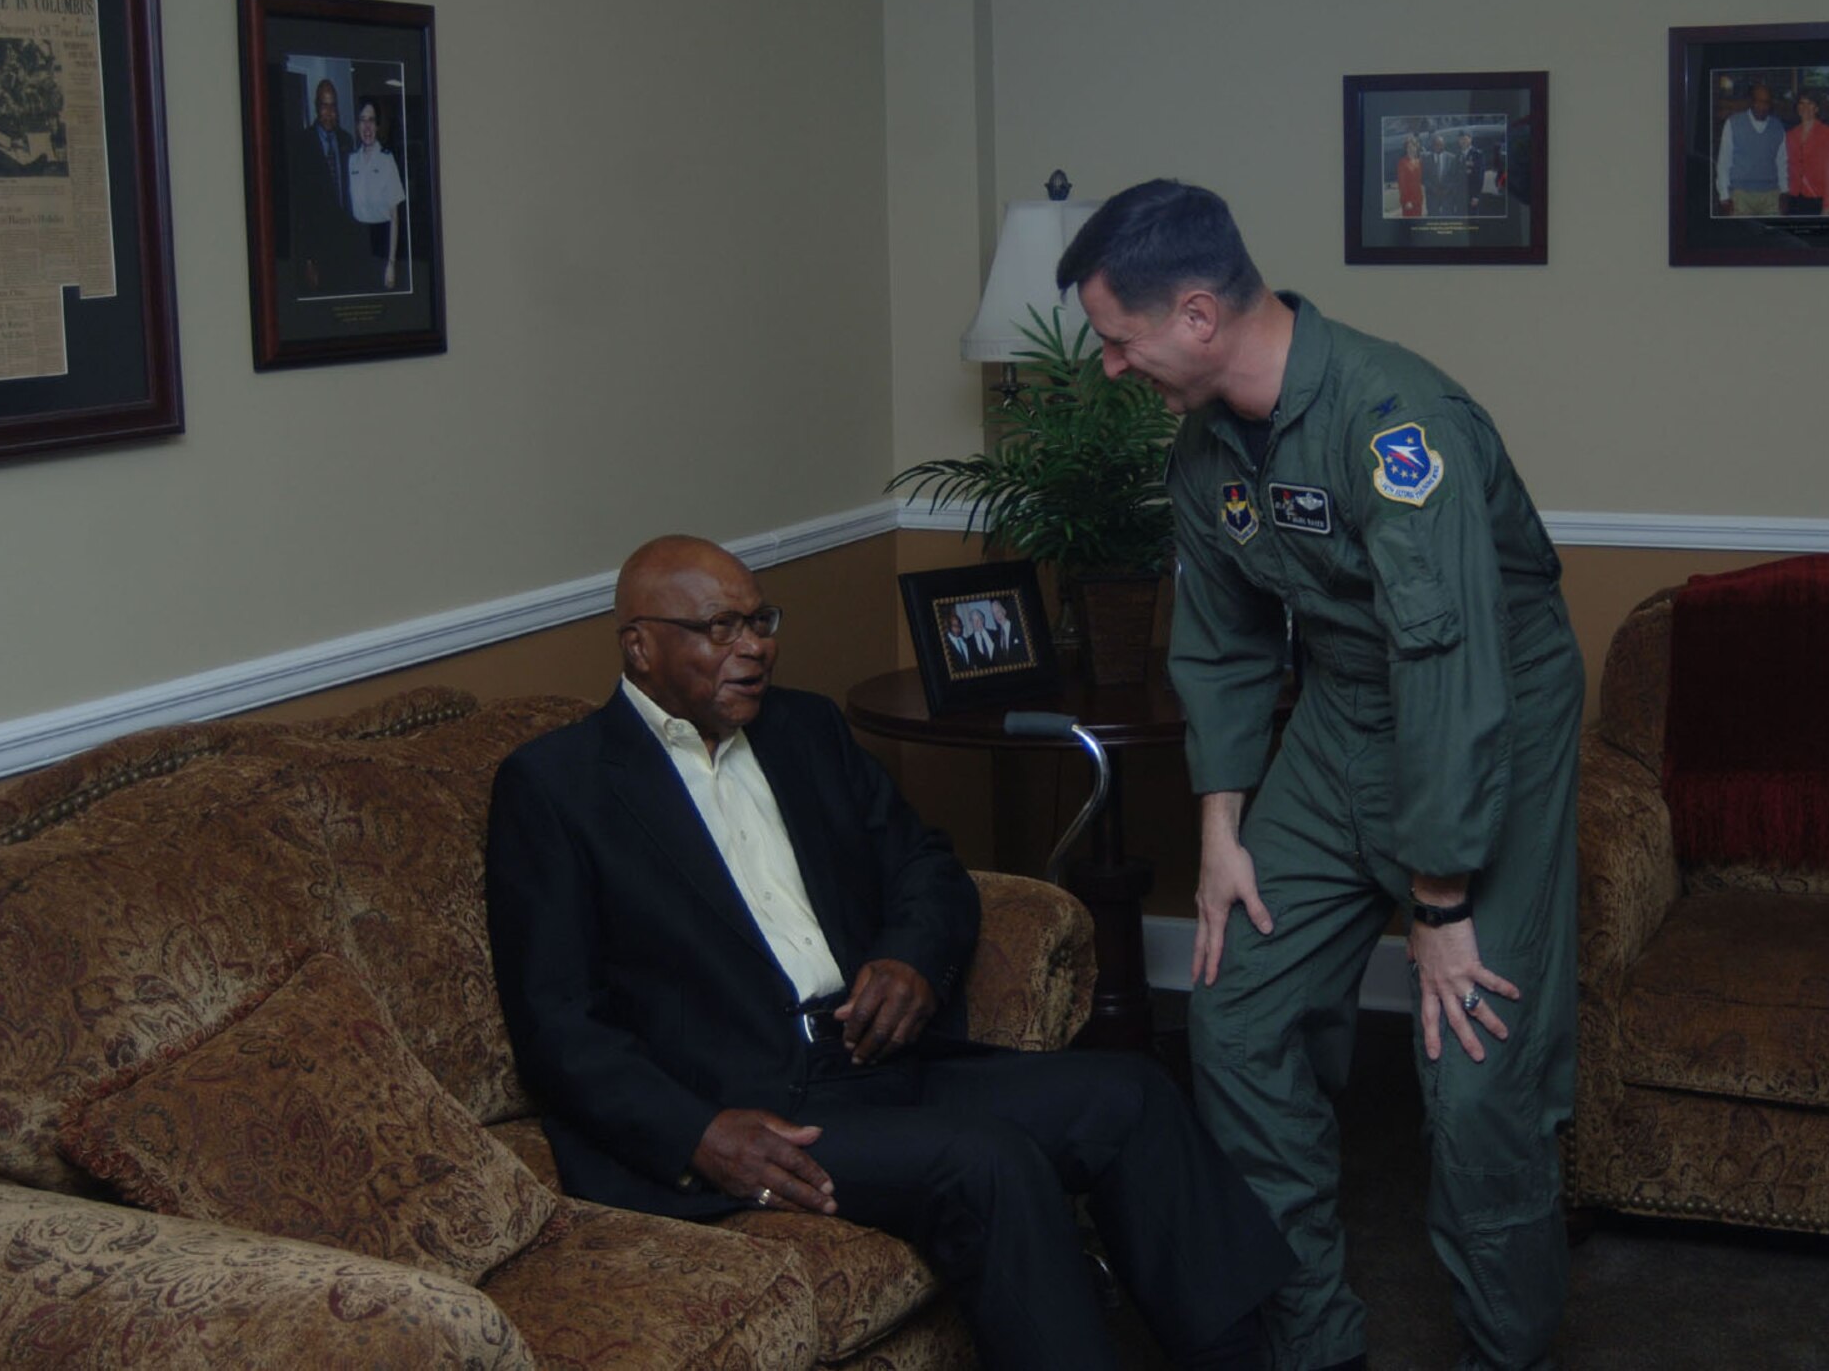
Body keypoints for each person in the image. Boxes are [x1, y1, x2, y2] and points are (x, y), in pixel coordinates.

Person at [485, 535, 1292, 1371]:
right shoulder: (557, 787)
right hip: (750, 1103)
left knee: (1131, 1095)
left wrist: (910, 958)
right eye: (719, 628)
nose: (754, 647)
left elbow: (926, 865)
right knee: (988, 1164)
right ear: (641, 646)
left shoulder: (804, 728)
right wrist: (698, 1134)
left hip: (875, 1056)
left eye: (760, 621)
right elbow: (555, 1023)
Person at [1056, 181, 1582, 1371]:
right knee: (1236, 1014)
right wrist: (1220, 832)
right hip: (1345, 707)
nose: (1107, 365)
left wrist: (1436, 904)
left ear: (1195, 315)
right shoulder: (1206, 448)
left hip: (1486, 707)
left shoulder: (1400, 423)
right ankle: (1312, 1339)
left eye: (1116, 338)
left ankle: (1505, 1349)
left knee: (1475, 1072)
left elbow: (1449, 669)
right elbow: (1228, 641)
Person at [288, 77, 359, 293]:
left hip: (346, 246)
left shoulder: (346, 140)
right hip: (318, 249)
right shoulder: (302, 144)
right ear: (316, 106)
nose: (330, 112)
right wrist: (308, 260)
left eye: (333, 105)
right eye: (324, 105)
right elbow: (299, 208)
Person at [347, 95, 407, 291]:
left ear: (377, 125)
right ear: (357, 125)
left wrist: (391, 264)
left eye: (371, 120)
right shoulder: (351, 161)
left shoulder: (387, 161)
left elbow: (395, 217)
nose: (367, 127)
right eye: (362, 120)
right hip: (357, 243)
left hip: (382, 242)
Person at [1715, 82, 1787, 217]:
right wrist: (1724, 196)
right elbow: (1724, 162)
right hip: (1741, 195)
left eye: (1766, 102)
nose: (1762, 107)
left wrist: (1784, 192)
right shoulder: (1733, 123)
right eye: (1758, 102)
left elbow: (1782, 162)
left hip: (1771, 195)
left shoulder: (1778, 127)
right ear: (1751, 102)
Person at [1783, 90, 1829, 216]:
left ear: (1816, 108)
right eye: (1801, 103)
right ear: (1797, 107)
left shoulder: (1827, 133)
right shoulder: (1790, 135)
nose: (1805, 107)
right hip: (1794, 197)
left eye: (1810, 103)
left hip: (1817, 198)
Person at [1394, 133, 1425, 218]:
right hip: (1409, 200)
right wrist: (1407, 200)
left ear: (1416, 148)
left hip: (1418, 198)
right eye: (1409, 147)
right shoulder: (1402, 163)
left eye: (1413, 147)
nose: (1411, 149)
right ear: (1406, 149)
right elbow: (1402, 184)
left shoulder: (1419, 162)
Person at [990, 597, 1028, 663]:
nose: (996, 616)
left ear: (1004, 611)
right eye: (994, 614)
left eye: (998, 611)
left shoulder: (1019, 628)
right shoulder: (996, 636)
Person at [1460, 132, 1484, 214]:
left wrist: (1476, 196)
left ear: (1470, 139)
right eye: (1460, 139)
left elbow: (1480, 177)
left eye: (1465, 139)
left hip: (1472, 194)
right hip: (1461, 195)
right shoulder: (1458, 155)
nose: (1463, 141)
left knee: (1473, 220)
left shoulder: (1477, 154)